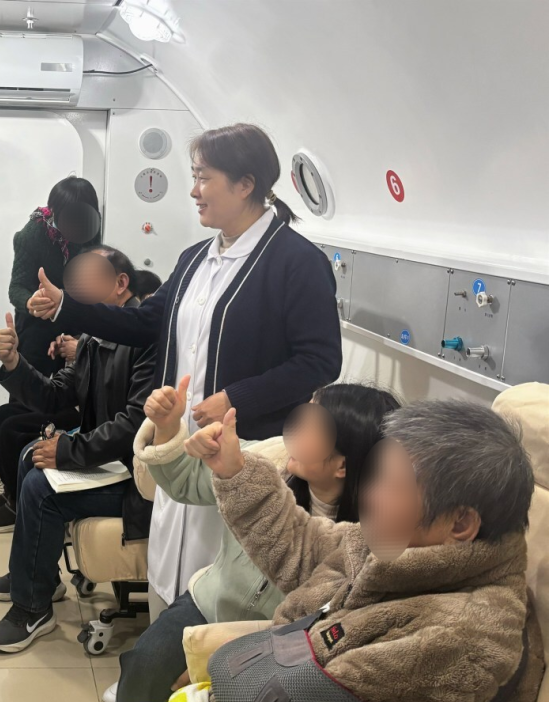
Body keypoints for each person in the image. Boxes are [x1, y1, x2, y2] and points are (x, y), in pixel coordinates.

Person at [13, 400, 542, 702]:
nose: (369, 495)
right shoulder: (399, 552)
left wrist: (226, 667)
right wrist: (233, 470)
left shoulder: (466, 636)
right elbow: (306, 545)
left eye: (389, 483)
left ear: (460, 523)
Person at [26, 123, 342, 619]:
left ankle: (202, 662)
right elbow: (143, 322)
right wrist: (68, 306)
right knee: (169, 571)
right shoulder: (196, 258)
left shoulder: (297, 262)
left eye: (203, 177)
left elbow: (319, 361)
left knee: (216, 588)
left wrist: (236, 397)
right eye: (194, 177)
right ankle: (163, 651)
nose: (194, 190)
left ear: (245, 184)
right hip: (179, 447)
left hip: (240, 454)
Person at [110, 380, 400, 702]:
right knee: (143, 672)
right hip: (210, 604)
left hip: (280, 642)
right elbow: (186, 478)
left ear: (342, 464)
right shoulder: (267, 457)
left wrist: (216, 657)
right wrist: (167, 427)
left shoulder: (363, 541)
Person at [0, 247, 155, 653]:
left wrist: (69, 451)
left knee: (41, 489)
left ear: (120, 283)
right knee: (30, 454)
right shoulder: (94, 336)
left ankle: (32, 609)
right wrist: (14, 363)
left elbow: (135, 424)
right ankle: (32, 578)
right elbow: (55, 395)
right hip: (109, 464)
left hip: (139, 480)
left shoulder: (147, 340)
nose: (74, 292)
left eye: (85, 282)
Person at [9, 177, 101, 377]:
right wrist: (30, 302)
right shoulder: (32, 234)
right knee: (29, 386)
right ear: (53, 211)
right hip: (37, 324)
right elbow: (17, 287)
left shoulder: (91, 229)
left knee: (73, 386)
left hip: (74, 318)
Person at [0, 396, 79, 533]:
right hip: (66, 398)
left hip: (80, 410)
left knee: (12, 428)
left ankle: (17, 504)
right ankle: (10, 491)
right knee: (1, 414)